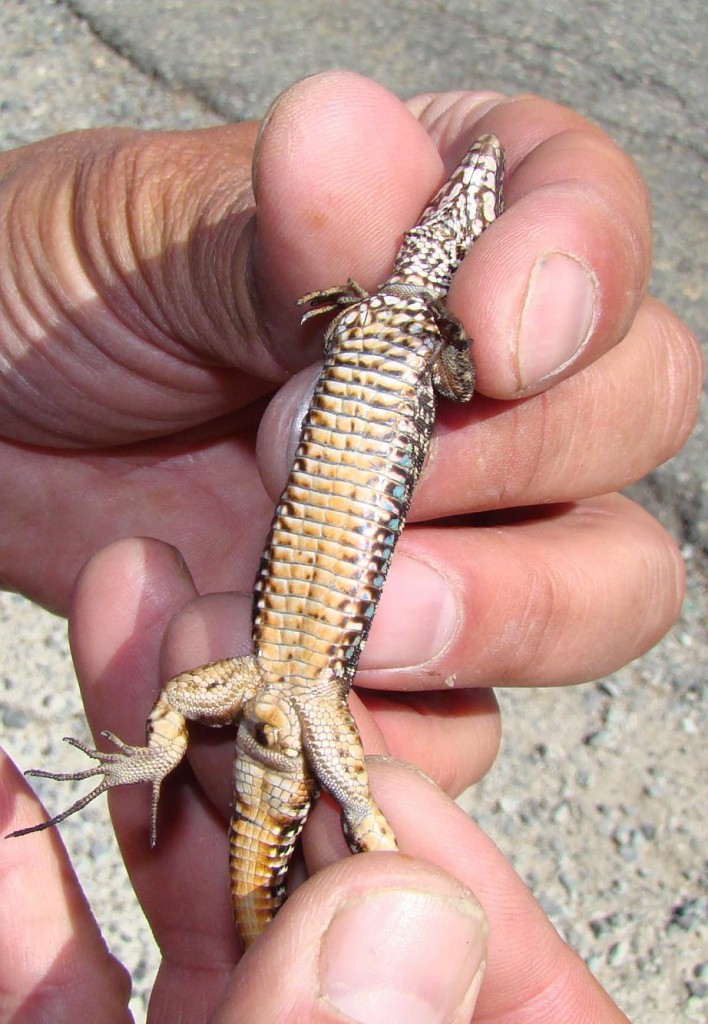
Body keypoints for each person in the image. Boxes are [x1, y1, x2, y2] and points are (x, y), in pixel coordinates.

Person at [0, 71, 700, 1022]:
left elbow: (458, 361)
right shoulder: (380, 305)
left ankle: (356, 895)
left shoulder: (415, 325)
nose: (463, 206)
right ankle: (193, 787)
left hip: (285, 675)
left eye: (469, 208)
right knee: (324, 798)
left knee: (351, 813)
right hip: (296, 670)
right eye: (459, 202)